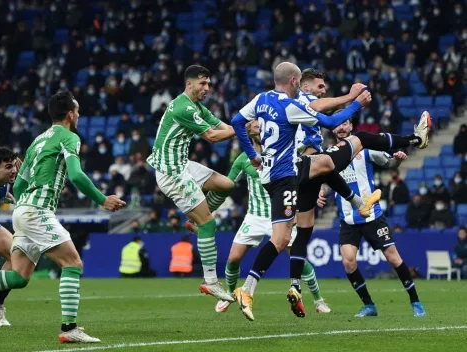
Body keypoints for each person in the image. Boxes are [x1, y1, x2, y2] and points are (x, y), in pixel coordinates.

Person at [230, 62, 383, 321]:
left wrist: (252, 155)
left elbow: (236, 121)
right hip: (285, 177)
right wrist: (357, 105)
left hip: (267, 175)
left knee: (322, 170)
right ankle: (247, 289)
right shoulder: (292, 107)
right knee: (281, 238)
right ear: (293, 82)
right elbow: (331, 120)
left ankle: (247, 290)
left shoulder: (261, 99)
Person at [0, 91, 126, 343]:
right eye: (76, 112)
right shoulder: (69, 137)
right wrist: (102, 199)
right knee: (73, 264)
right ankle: (69, 328)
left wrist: (25, 205)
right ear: (70, 114)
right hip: (37, 212)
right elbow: (77, 176)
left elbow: (20, 184)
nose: (78, 116)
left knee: (18, 278)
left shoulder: (37, 141)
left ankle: (69, 328)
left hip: (22, 211)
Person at [214, 120, 330, 314]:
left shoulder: (282, 153)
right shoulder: (244, 159)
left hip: (280, 213)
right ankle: (228, 294)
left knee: (298, 258)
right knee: (233, 258)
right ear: (250, 132)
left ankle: (319, 300)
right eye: (257, 127)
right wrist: (209, 206)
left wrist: (314, 191)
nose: (262, 129)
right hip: (255, 216)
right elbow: (227, 184)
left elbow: (302, 174)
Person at [317, 119, 426, 318]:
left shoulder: (364, 148)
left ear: (351, 126)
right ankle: (369, 305)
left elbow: (389, 163)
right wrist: (321, 192)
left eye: (345, 124)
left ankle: (415, 301)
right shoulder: (329, 155)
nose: (341, 128)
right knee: (348, 263)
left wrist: (398, 159)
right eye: (338, 124)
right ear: (333, 128)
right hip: (348, 219)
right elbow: (325, 182)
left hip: (372, 216)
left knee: (393, 258)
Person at [146, 65, 236, 302]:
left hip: (183, 165)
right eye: (203, 83)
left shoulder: (197, 107)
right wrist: (242, 129)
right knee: (209, 223)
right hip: (171, 173)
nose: (207, 88)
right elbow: (213, 137)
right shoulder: (183, 107)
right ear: (190, 84)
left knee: (227, 185)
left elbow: (223, 127)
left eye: (209, 84)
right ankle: (210, 281)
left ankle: (195, 222)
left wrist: (243, 130)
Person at [0, 148, 19, 327]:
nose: (13, 170)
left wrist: (6, 197)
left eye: (14, 166)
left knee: (16, 255)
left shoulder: (5, 182)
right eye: (8, 166)